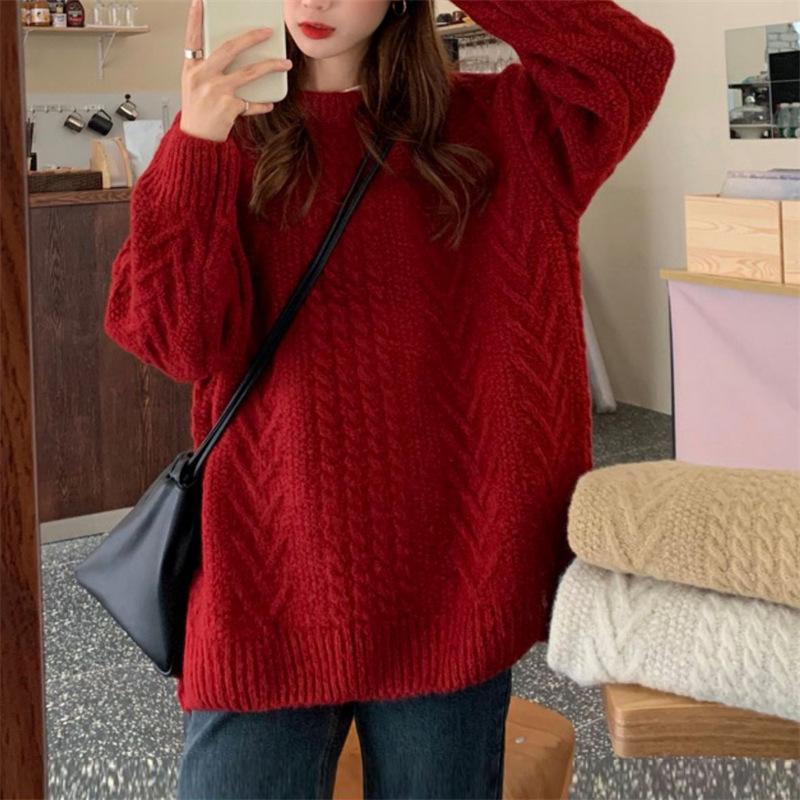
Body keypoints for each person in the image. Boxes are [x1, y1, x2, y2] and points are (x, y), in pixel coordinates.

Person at [102, 0, 675, 796]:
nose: (314, 1)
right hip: (266, 581)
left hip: (452, 584)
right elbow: (176, 343)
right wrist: (195, 143)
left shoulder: (506, 127)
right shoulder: (224, 135)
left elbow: (628, 62)